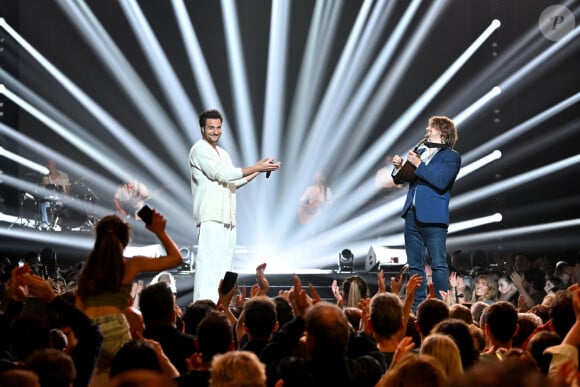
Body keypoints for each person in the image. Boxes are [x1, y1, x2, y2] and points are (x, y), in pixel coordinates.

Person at [74, 210, 182, 385]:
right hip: (118, 330)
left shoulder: (87, 271)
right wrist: (159, 231)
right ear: (124, 241)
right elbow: (176, 259)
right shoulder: (131, 264)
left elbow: (78, 312)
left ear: (98, 240)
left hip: (91, 331)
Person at [188, 109, 280, 302]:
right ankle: (203, 313)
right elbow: (222, 175)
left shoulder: (223, 153)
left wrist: (260, 169)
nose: (215, 131)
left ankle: (222, 312)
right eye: (211, 127)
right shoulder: (199, 150)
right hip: (211, 218)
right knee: (209, 273)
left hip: (228, 220)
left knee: (225, 273)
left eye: (218, 127)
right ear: (202, 129)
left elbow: (234, 182)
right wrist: (256, 167)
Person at [392, 116, 461, 310]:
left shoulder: (451, 156)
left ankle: (440, 304)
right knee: (415, 265)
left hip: (433, 217)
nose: (427, 129)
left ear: (443, 132)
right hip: (412, 215)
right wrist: (399, 168)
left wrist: (418, 165)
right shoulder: (421, 151)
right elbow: (402, 180)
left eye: (431, 127)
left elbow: (441, 181)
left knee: (438, 263)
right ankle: (417, 307)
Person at [39, 160, 71, 230]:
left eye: (52, 164)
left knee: (60, 205)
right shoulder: (46, 177)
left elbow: (68, 188)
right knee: (44, 204)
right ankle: (45, 223)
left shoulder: (63, 175)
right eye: (49, 164)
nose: (51, 166)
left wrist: (64, 195)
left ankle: (58, 223)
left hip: (61, 198)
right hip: (50, 198)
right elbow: (44, 189)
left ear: (55, 165)